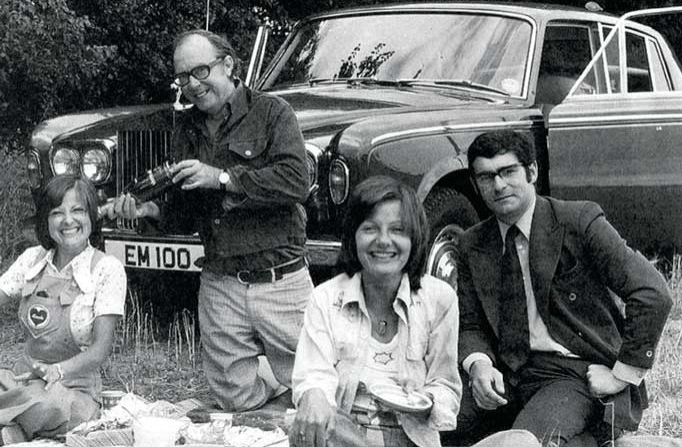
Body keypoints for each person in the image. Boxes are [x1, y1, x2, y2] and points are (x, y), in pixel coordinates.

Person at [108, 29, 313, 412]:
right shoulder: (186, 130)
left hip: (280, 280)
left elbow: (296, 182)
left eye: (200, 71)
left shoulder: (273, 113)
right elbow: (187, 214)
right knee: (233, 401)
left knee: (317, 389)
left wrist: (221, 177)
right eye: (183, 77)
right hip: (219, 282)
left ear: (229, 65)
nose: (192, 85)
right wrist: (150, 211)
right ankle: (269, 387)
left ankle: (280, 383)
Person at [454, 130, 673, 447]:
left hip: (571, 371)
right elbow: (470, 321)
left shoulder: (579, 221)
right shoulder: (471, 243)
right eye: (486, 177)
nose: (498, 185)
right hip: (503, 372)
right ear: (475, 185)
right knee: (434, 424)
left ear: (532, 172)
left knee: (527, 441)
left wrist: (621, 375)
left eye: (507, 171)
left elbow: (652, 293)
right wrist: (479, 364)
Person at [290, 175, 539, 447]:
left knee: (522, 441)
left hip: (412, 439)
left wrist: (427, 402)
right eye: (370, 229)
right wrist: (313, 394)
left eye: (397, 230)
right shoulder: (325, 298)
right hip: (344, 437)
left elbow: (446, 387)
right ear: (353, 236)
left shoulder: (439, 299)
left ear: (414, 238)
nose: (383, 241)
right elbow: (312, 373)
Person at [0, 175, 126, 443]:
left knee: (42, 404)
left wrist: (56, 371)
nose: (68, 220)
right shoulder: (31, 260)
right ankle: (14, 428)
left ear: (92, 216)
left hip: (71, 392)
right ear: (46, 221)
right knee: (21, 393)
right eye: (57, 212)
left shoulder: (107, 269)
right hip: (23, 381)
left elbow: (99, 351)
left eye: (77, 210)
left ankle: (14, 425)